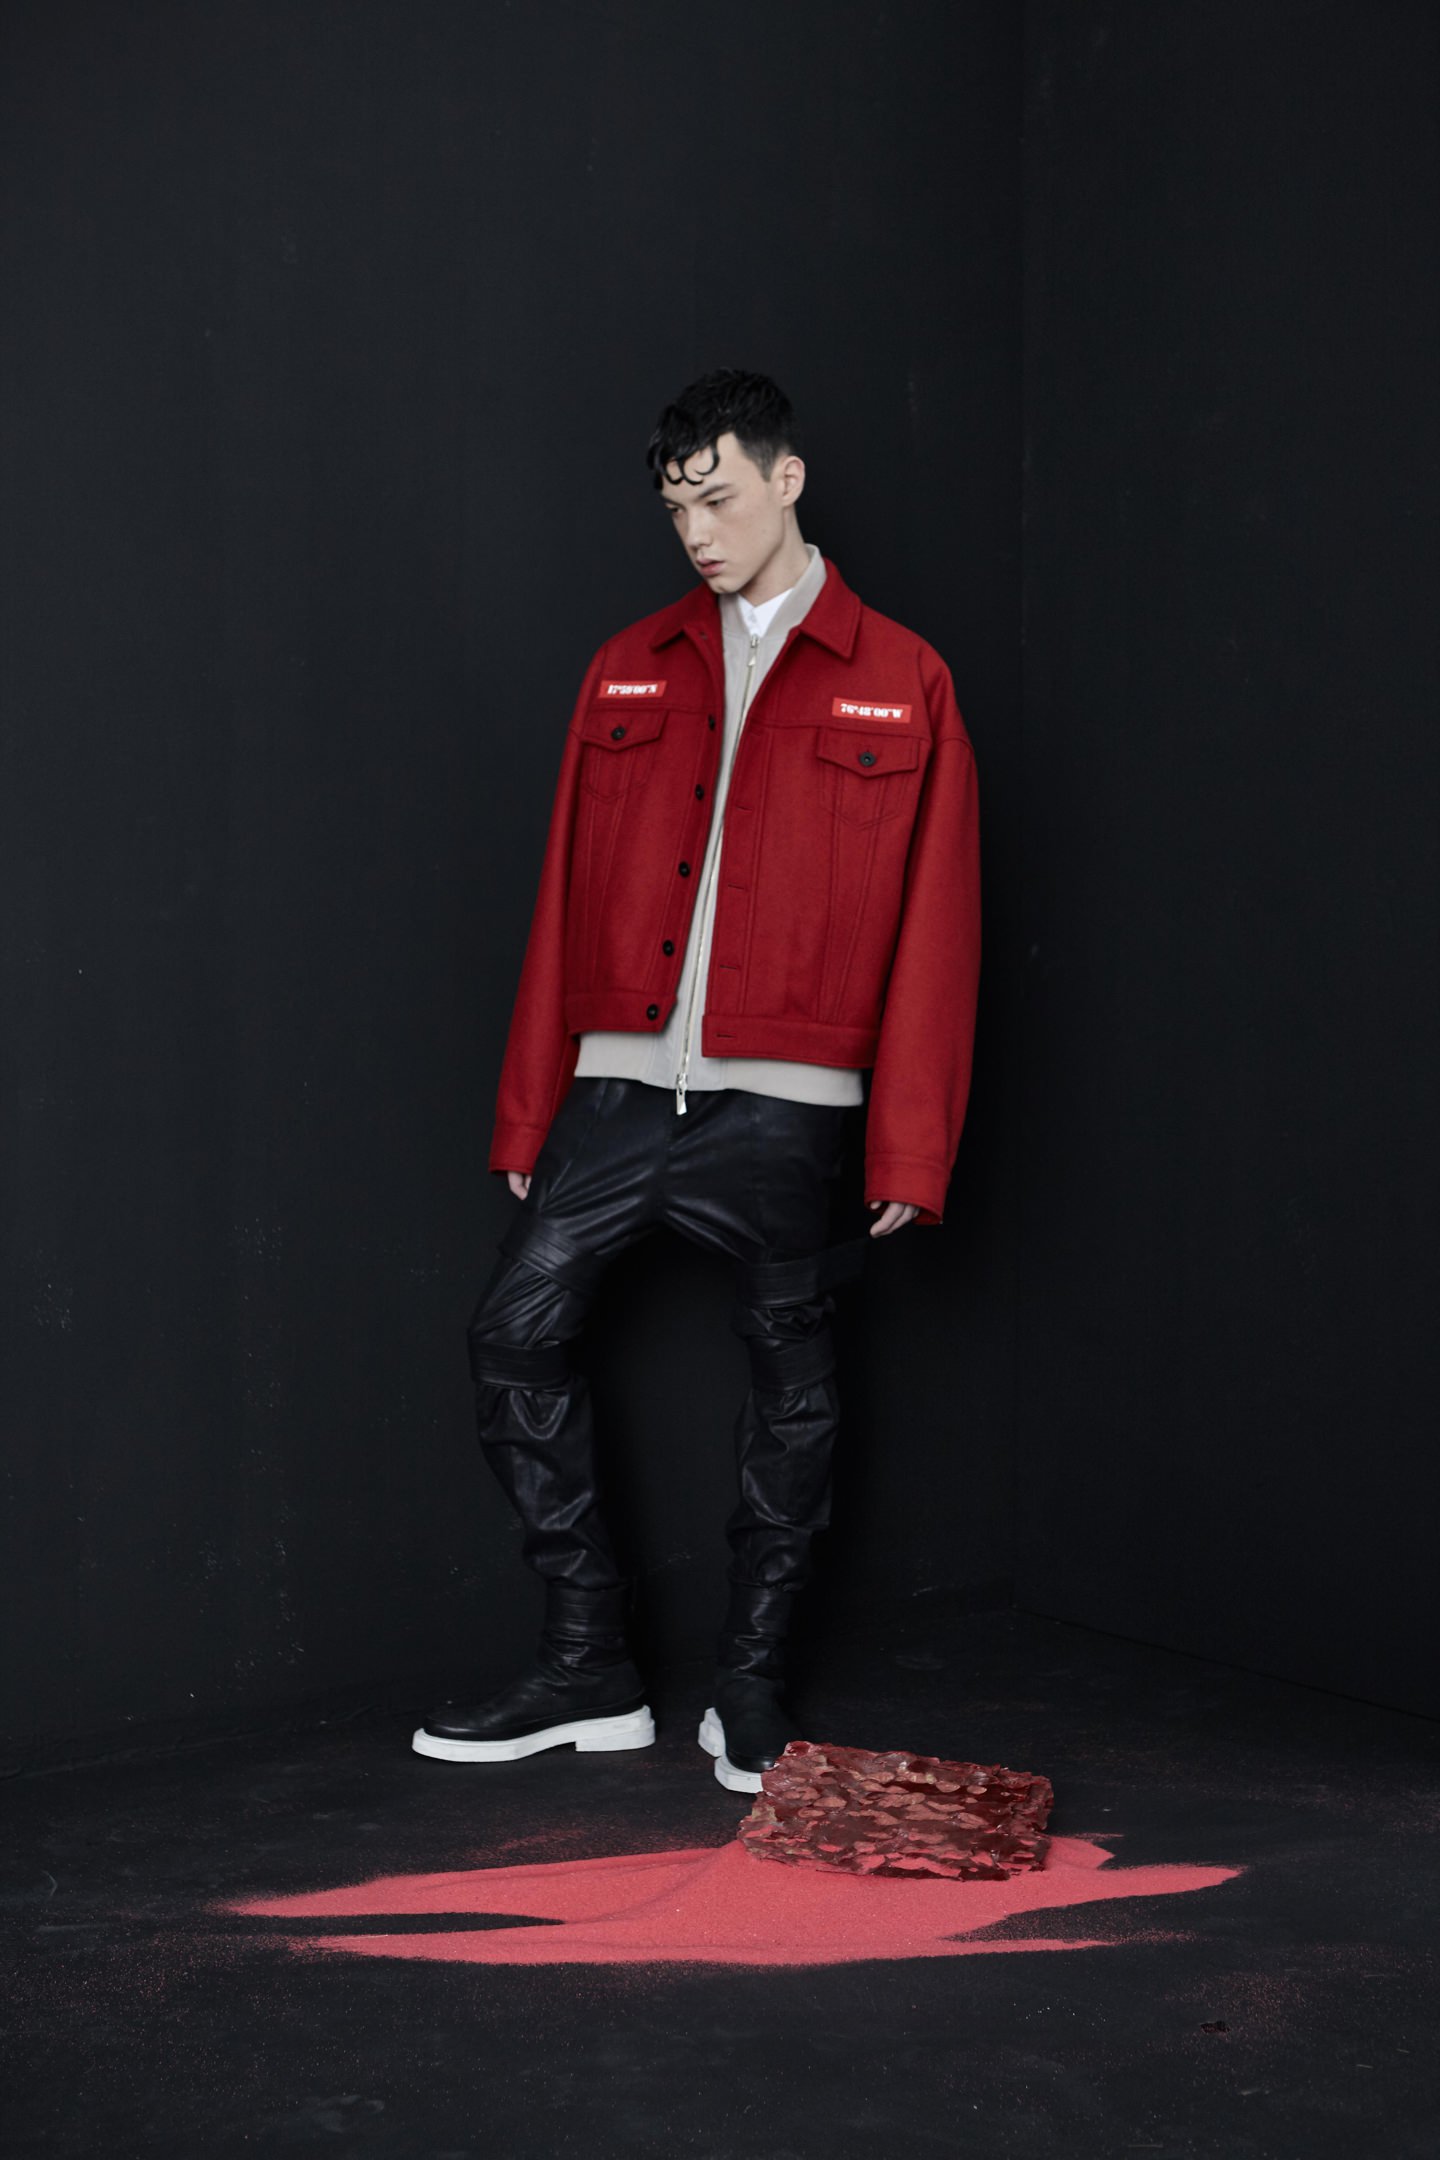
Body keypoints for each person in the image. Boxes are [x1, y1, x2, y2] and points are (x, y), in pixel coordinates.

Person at [413, 369, 981, 1792]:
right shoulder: (630, 663)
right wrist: (532, 1103)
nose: (699, 534)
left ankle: (750, 1689)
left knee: (794, 1388)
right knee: (512, 1336)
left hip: (789, 1114)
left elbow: (942, 926)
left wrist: (910, 1145)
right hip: (615, 1094)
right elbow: (561, 895)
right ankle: (589, 1667)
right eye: (677, 511)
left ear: (788, 479)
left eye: (719, 499)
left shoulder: (904, 676)